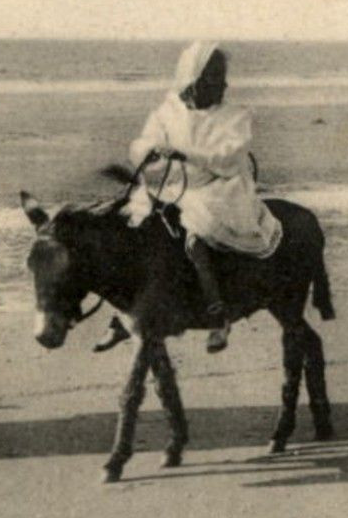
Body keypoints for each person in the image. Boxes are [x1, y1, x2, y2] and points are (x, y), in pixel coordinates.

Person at [99, 42, 283, 354]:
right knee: (129, 229)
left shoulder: (236, 116)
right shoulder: (167, 112)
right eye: (215, 78)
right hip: (171, 183)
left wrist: (184, 152)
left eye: (222, 78)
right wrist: (151, 150)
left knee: (197, 233)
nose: (224, 85)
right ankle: (124, 315)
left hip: (216, 187)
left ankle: (217, 315)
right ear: (194, 80)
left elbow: (228, 157)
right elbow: (140, 145)